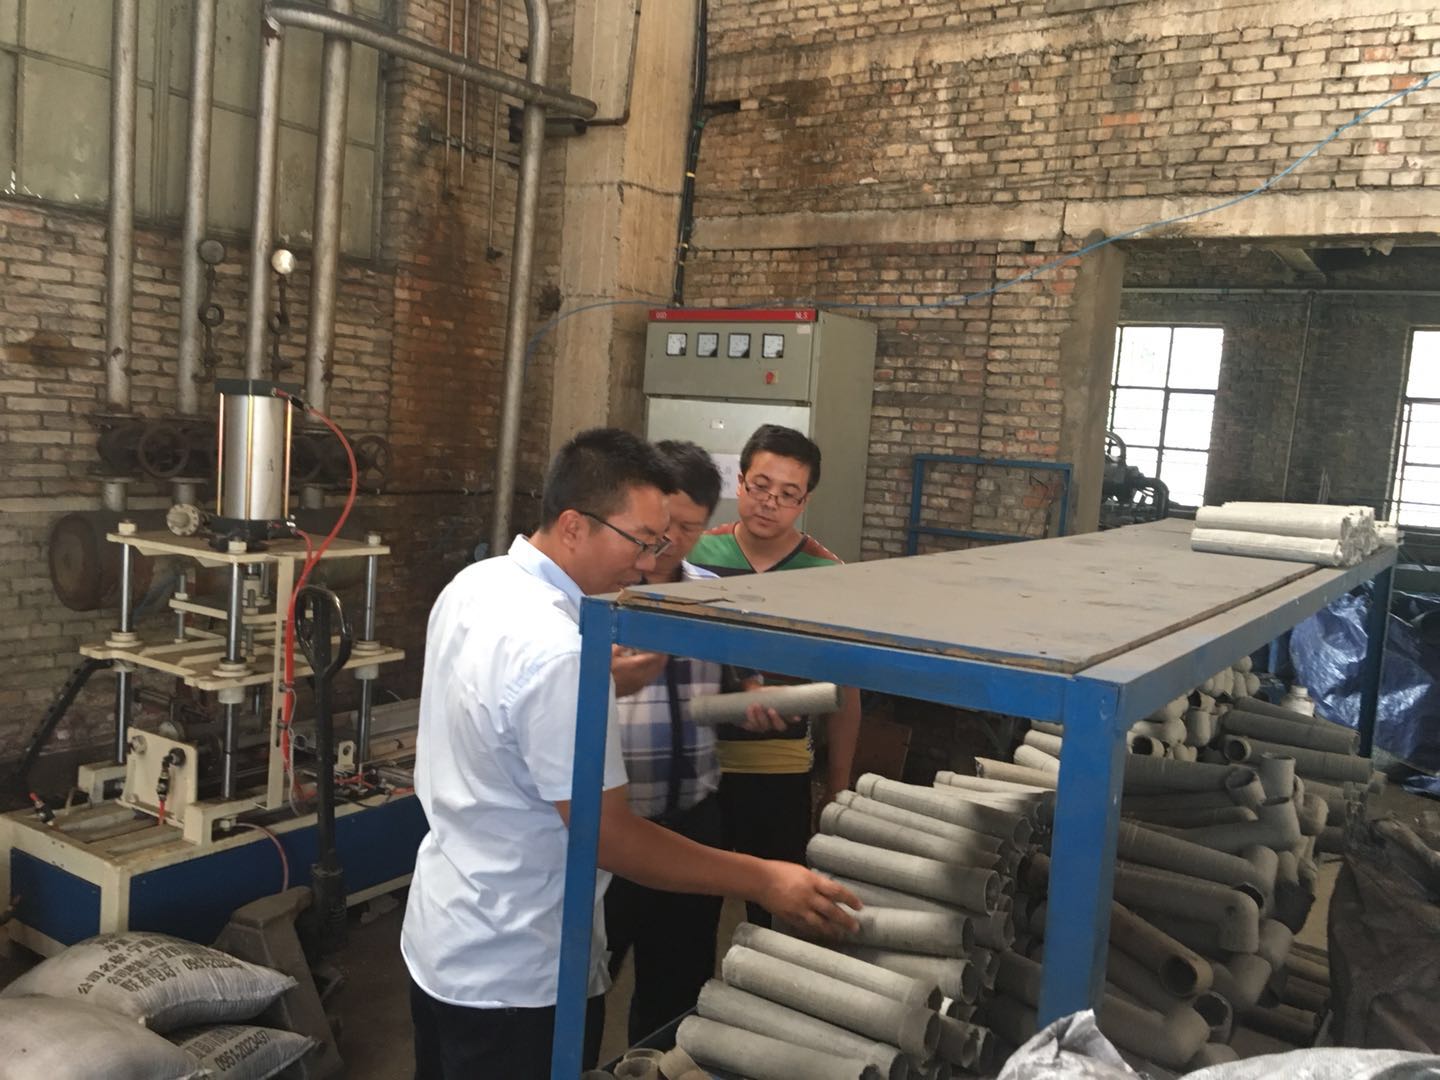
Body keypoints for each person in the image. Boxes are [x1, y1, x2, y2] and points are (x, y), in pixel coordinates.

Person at [401, 427, 859, 1080]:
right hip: (518, 965)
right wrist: (764, 879)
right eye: (641, 541)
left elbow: (503, 716)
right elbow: (609, 835)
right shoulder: (557, 650)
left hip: (444, 933)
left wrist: (605, 684)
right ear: (573, 525)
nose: (648, 563)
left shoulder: (478, 584)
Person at [689, 424, 862, 926]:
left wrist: (837, 785)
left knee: (776, 919)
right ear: (741, 482)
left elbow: (845, 693)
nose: (770, 503)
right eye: (761, 487)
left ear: (805, 501)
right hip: (697, 768)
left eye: (788, 494)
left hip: (779, 772)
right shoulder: (695, 557)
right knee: (689, 912)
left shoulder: (825, 575)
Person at [604, 440, 728, 1044]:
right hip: (611, 827)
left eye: (691, 527)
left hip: (693, 821)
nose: (673, 540)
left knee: (677, 995)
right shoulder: (600, 593)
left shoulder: (712, 595)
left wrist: (752, 699)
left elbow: (731, 681)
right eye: (665, 523)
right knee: (586, 981)